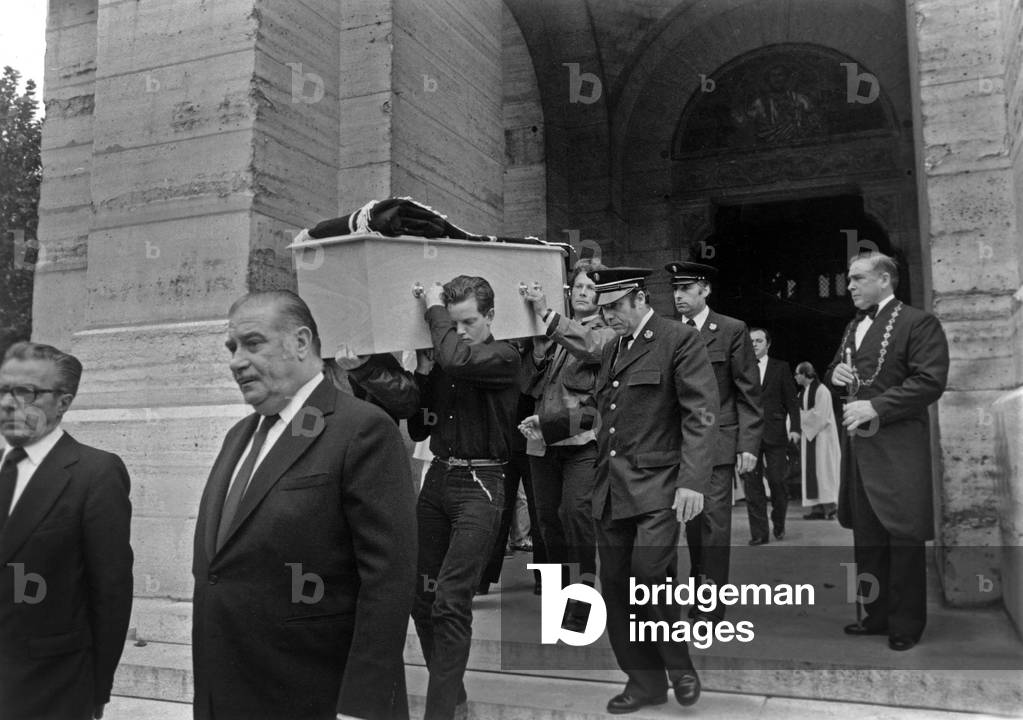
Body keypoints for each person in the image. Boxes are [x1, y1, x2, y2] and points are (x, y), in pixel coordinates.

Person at [191, 290, 417, 720]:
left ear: (301, 342)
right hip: (229, 691)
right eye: (232, 348)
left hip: (316, 696)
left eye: (252, 343)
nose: (236, 361)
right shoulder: (237, 436)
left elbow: (388, 581)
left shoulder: (363, 430)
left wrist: (362, 705)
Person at [590, 267, 719, 714]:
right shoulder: (614, 348)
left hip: (659, 487)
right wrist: (546, 424)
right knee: (616, 589)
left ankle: (679, 665)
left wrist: (692, 482)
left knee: (649, 577)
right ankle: (643, 684)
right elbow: (605, 409)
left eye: (614, 308)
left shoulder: (677, 340)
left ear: (639, 298)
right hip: (611, 489)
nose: (607, 317)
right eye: (602, 310)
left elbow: (700, 414)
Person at [405, 275, 521, 720]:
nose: (459, 331)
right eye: (453, 323)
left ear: (490, 316)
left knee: (452, 600)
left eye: (468, 321)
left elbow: (454, 356)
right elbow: (418, 427)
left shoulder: (504, 356)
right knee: (420, 596)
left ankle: (440, 714)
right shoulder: (448, 359)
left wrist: (434, 312)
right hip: (438, 480)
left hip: (482, 485)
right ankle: (452, 696)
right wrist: (418, 373)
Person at [0, 342, 133, 720]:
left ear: (63, 402)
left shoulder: (95, 474)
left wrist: (97, 690)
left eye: (26, 392)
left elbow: (110, 591)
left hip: (50, 688)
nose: (9, 403)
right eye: (3, 389)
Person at [827, 252, 948, 651]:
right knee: (868, 542)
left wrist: (875, 406)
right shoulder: (852, 326)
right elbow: (837, 372)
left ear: (884, 279)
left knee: (903, 539)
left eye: (858, 278)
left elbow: (930, 381)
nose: (850, 287)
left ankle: (906, 625)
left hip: (899, 451)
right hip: (862, 452)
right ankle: (875, 617)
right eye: (849, 280)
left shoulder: (919, 322)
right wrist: (835, 375)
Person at [520, 259, 617, 628]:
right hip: (542, 441)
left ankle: (584, 603)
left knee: (576, 517)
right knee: (547, 523)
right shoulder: (553, 334)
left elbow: (591, 350)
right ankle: (558, 600)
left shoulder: (606, 335)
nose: (582, 292)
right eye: (577, 286)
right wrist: (539, 349)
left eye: (591, 288)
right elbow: (528, 385)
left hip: (582, 440)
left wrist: (546, 314)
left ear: (603, 297)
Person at [666, 261, 762, 623]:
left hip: (719, 444)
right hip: (679, 445)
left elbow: (748, 393)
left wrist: (748, 445)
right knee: (692, 525)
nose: (678, 296)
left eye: (686, 289)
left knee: (713, 526)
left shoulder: (731, 330)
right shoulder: (670, 333)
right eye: (675, 289)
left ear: (705, 290)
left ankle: (709, 606)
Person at [745, 327, 800, 544]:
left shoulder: (781, 368)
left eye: (759, 341)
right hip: (748, 436)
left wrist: (795, 428)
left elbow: (792, 402)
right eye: (751, 341)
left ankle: (779, 520)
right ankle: (759, 534)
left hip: (776, 434)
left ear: (768, 344)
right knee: (752, 486)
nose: (754, 344)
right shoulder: (741, 368)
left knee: (777, 481)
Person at [794, 362, 839, 519]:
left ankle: (831, 506)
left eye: (797, 374)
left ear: (805, 374)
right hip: (810, 437)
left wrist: (799, 418)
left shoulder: (822, 391)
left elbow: (820, 415)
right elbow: (795, 413)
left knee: (824, 471)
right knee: (813, 472)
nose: (795, 377)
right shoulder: (802, 393)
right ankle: (817, 509)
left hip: (823, 438)